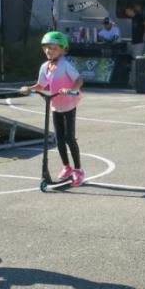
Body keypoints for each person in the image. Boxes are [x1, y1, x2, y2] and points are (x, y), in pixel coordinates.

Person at [20, 31, 85, 186]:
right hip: (55, 104)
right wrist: (29, 88)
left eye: (53, 48)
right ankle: (66, 167)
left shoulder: (65, 65)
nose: (49, 51)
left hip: (69, 103)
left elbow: (79, 80)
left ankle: (78, 170)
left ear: (63, 49)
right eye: (46, 48)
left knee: (70, 138)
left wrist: (71, 90)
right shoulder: (45, 66)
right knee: (59, 139)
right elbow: (41, 85)